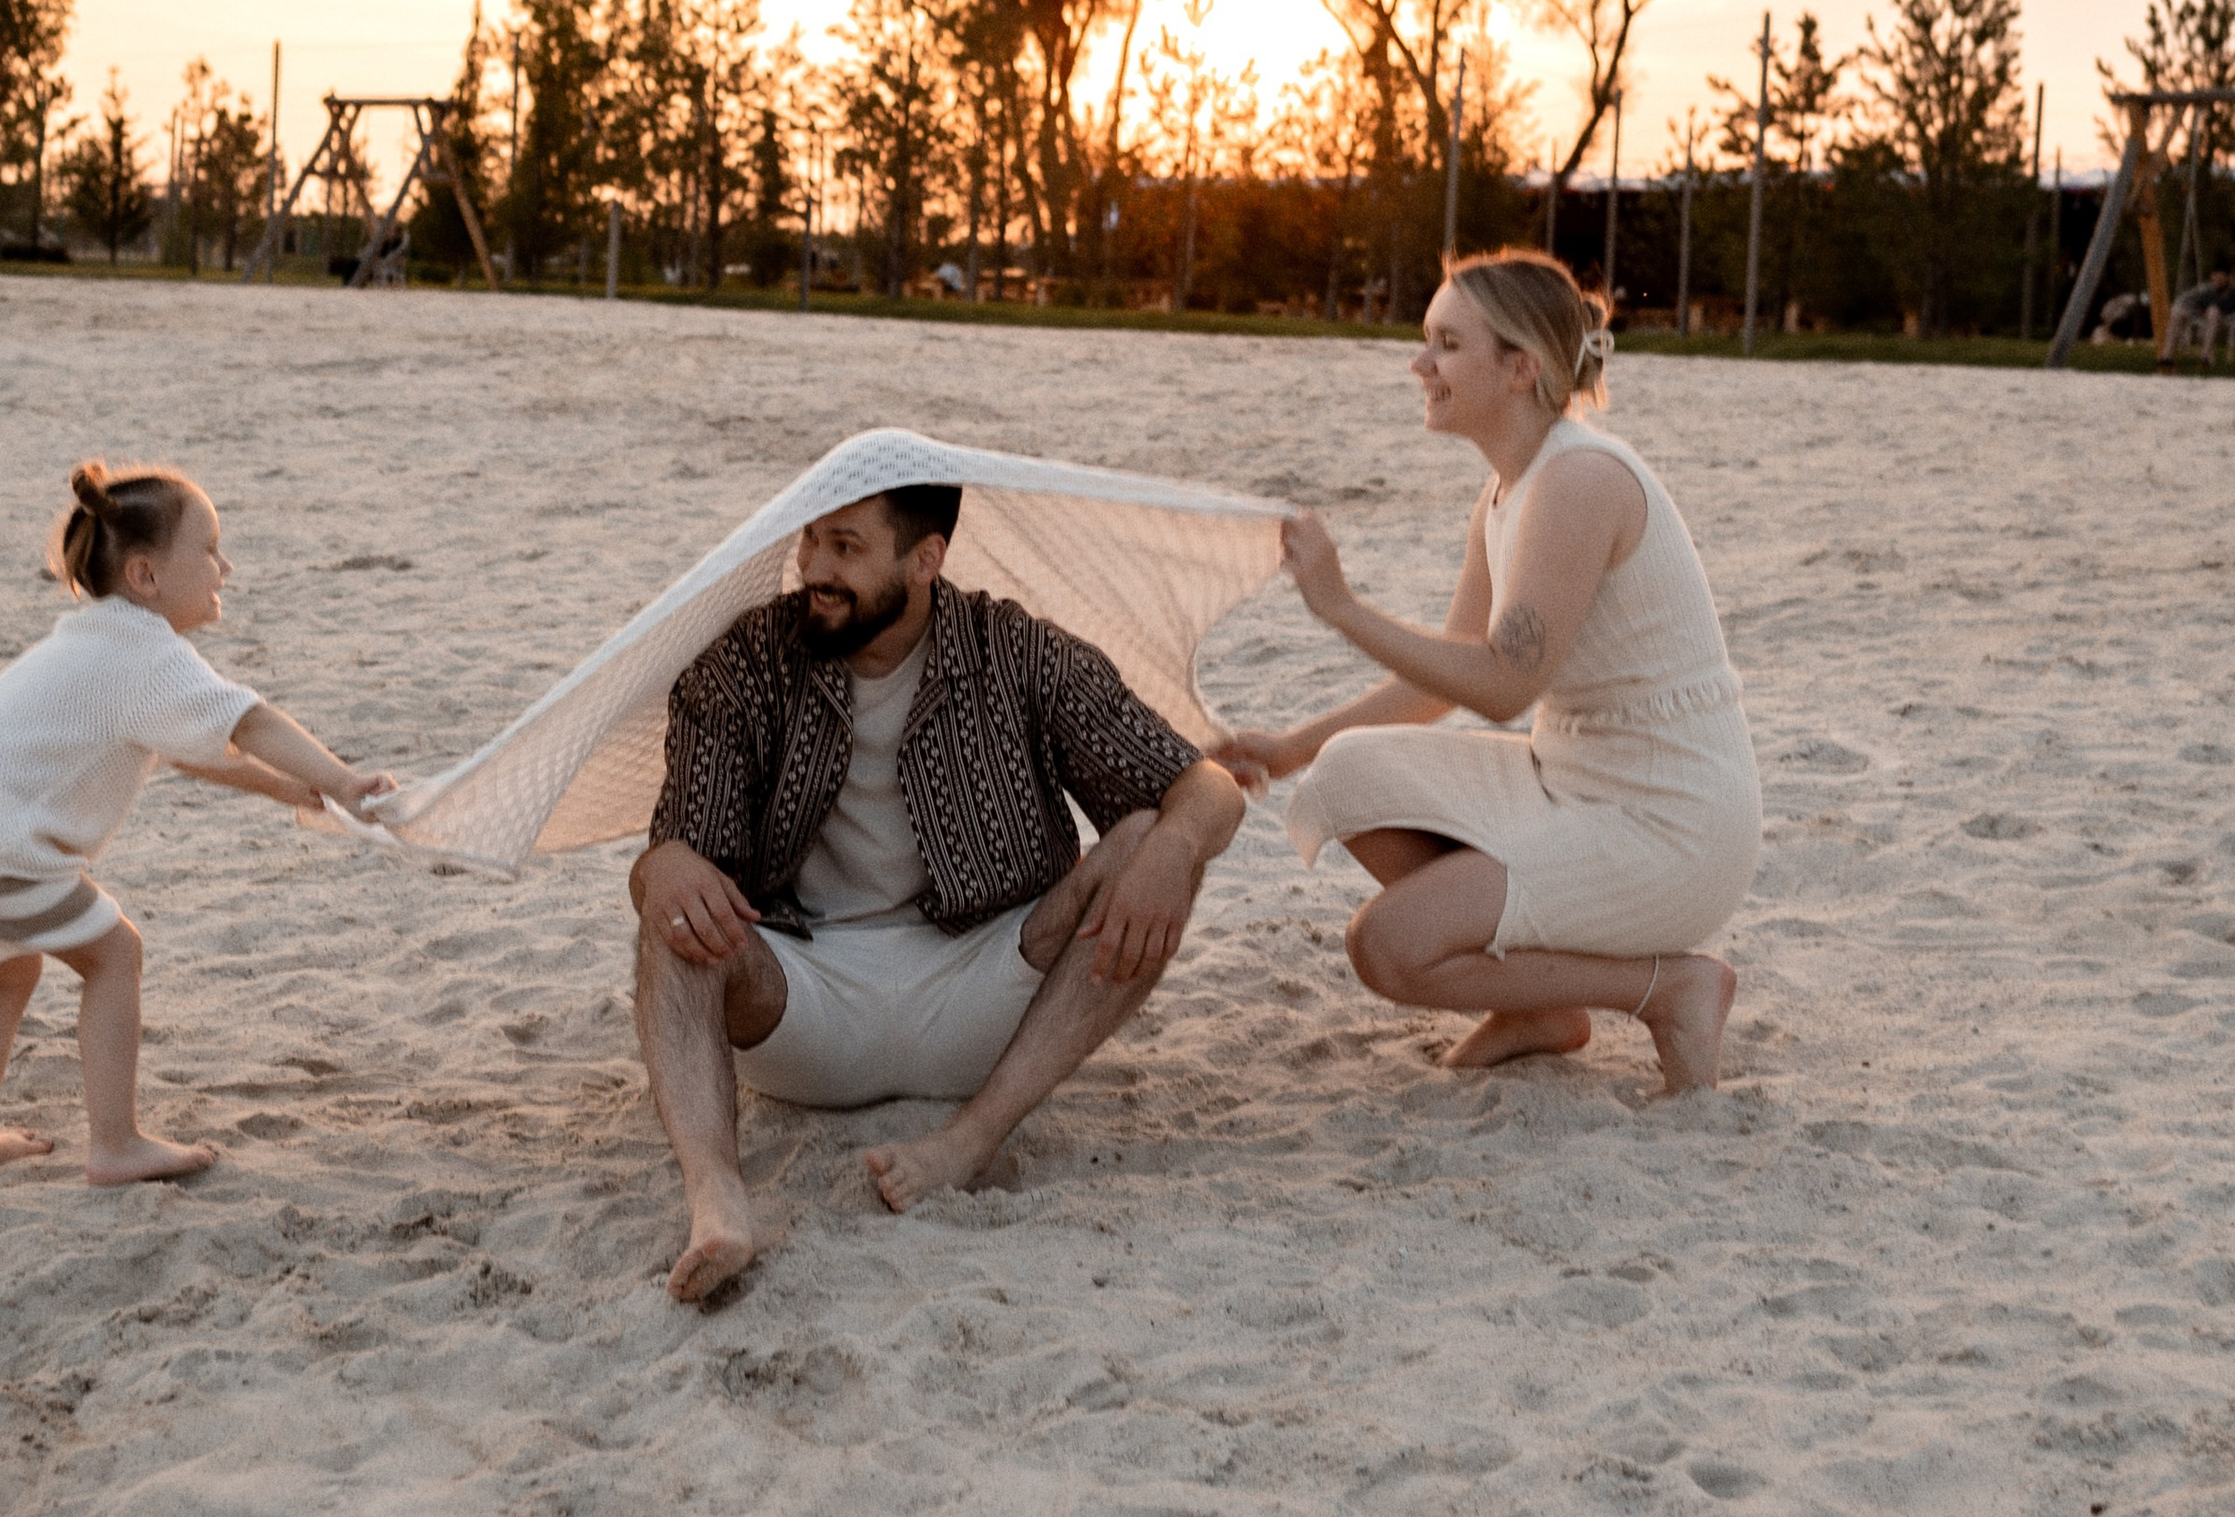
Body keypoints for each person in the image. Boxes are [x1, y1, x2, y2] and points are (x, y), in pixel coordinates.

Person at [631, 482, 1244, 1299]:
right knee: (673, 911)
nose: (813, 567)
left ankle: (973, 1139)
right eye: (809, 540)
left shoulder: (1017, 652)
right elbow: (681, 858)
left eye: (846, 547)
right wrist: (658, 867)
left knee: (1146, 839)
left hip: (987, 994)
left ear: (926, 559)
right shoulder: (745, 663)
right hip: (803, 1003)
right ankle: (717, 1195)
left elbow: (1208, 786)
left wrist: (1176, 844)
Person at [1217, 252, 1760, 1098]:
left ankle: (1668, 987)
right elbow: (1445, 678)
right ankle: (1541, 1008)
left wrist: (1342, 607)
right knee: (1345, 774)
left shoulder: (1579, 480)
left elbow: (1504, 686)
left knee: (1386, 947)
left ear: (1520, 368)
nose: (1419, 364)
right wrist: (1287, 750)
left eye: (1445, 344)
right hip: (1571, 781)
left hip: (1670, 824)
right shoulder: (1509, 489)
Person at [0, 461, 395, 1183]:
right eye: (210, 549)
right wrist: (341, 778)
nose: (226, 565)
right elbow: (247, 720)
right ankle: (115, 1145)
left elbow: (191, 752)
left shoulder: (98, 640)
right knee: (115, 955)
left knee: (9, 971)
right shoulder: (146, 654)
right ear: (146, 576)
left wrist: (289, 791)